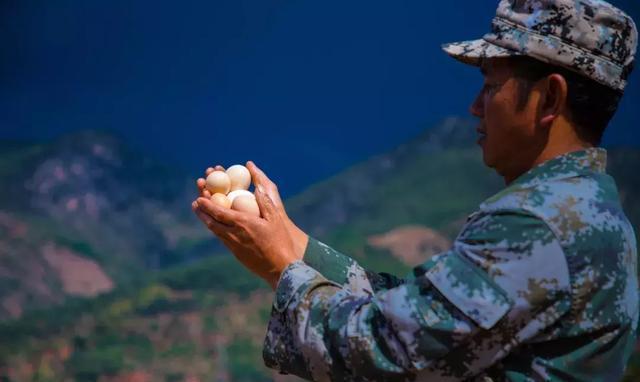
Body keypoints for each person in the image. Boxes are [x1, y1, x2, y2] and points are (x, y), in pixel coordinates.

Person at [192, 0, 639, 380]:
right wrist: (290, 241)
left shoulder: (538, 223)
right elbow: (419, 313)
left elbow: (391, 353)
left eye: (491, 86)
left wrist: (280, 269)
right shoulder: (586, 208)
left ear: (550, 98)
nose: (475, 107)